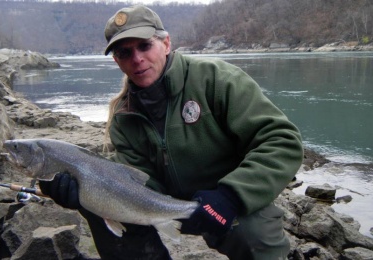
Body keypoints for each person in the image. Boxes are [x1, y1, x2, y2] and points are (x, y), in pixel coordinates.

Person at [39, 5, 303, 260]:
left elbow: (282, 140)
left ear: (166, 44)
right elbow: (140, 179)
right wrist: (87, 192)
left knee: (252, 234)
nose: (137, 59)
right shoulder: (123, 115)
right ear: (117, 61)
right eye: (124, 53)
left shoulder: (217, 80)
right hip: (164, 205)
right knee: (101, 207)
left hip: (227, 201)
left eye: (144, 46)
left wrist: (231, 195)